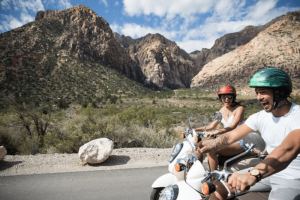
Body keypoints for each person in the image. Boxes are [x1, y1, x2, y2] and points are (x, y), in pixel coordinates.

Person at [199, 68, 300, 200]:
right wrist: (205, 148)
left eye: (263, 92)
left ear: (280, 92)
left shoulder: (297, 116)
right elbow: (230, 136)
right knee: (218, 187)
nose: (259, 97)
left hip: (292, 177)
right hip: (267, 171)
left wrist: (251, 175)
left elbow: (287, 149)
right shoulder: (260, 117)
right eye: (257, 93)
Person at [194, 84, 247, 171]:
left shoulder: (239, 109)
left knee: (211, 149)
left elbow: (232, 126)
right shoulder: (221, 111)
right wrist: (196, 129)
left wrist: (216, 132)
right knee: (200, 145)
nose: (227, 99)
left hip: (237, 142)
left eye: (230, 96)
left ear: (233, 97)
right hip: (226, 140)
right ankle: (198, 171)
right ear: (220, 98)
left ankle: (213, 177)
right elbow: (211, 126)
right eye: (224, 97)